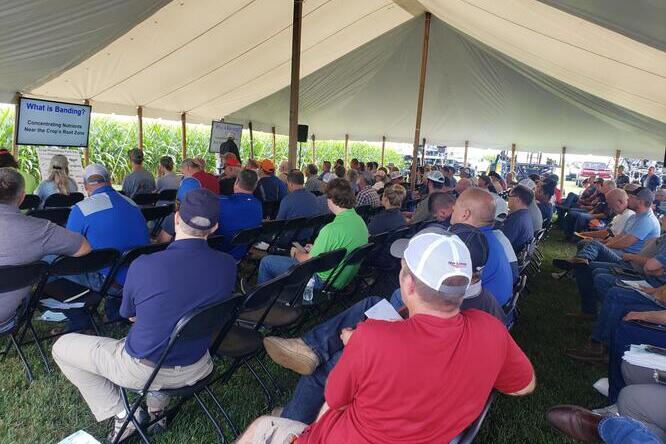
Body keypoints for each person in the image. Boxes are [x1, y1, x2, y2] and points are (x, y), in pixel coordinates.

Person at [239, 231, 535, 443]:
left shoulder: (374, 338)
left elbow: (334, 399)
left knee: (263, 426)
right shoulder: (491, 329)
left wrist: (359, 349)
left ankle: (290, 415)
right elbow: (524, 386)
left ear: (407, 284)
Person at [53, 188, 237, 443]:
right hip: (198, 364)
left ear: (175, 219)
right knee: (168, 330)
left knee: (62, 347)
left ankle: (123, 413)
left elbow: (128, 314)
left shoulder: (145, 265)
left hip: (145, 369)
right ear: (214, 227)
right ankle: (156, 410)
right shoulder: (228, 265)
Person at [64, 164, 150, 330]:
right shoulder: (132, 203)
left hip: (109, 281)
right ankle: (114, 313)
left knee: (50, 264)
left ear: (86, 186)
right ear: (109, 181)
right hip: (138, 277)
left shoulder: (81, 208)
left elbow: (69, 248)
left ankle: (80, 321)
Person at [0, 168, 90, 324]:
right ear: (22, 198)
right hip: (5, 319)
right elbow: (84, 248)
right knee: (49, 258)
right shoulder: (41, 230)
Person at [256, 178, 368, 292]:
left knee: (266, 262)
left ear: (331, 199)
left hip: (320, 280)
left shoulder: (330, 230)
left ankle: (261, 298)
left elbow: (308, 260)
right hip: (342, 280)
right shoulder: (360, 222)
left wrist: (296, 253)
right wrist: (316, 249)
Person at [451, 187, 515, 305]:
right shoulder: (490, 238)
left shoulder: (469, 244)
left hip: (480, 311)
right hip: (497, 307)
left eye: (456, 205)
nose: (452, 208)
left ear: (465, 214)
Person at [500, 184, 535, 253]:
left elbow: (501, 243)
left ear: (517, 200)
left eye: (509, 196)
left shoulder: (516, 220)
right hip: (518, 253)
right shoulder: (525, 214)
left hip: (510, 255)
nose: (508, 199)